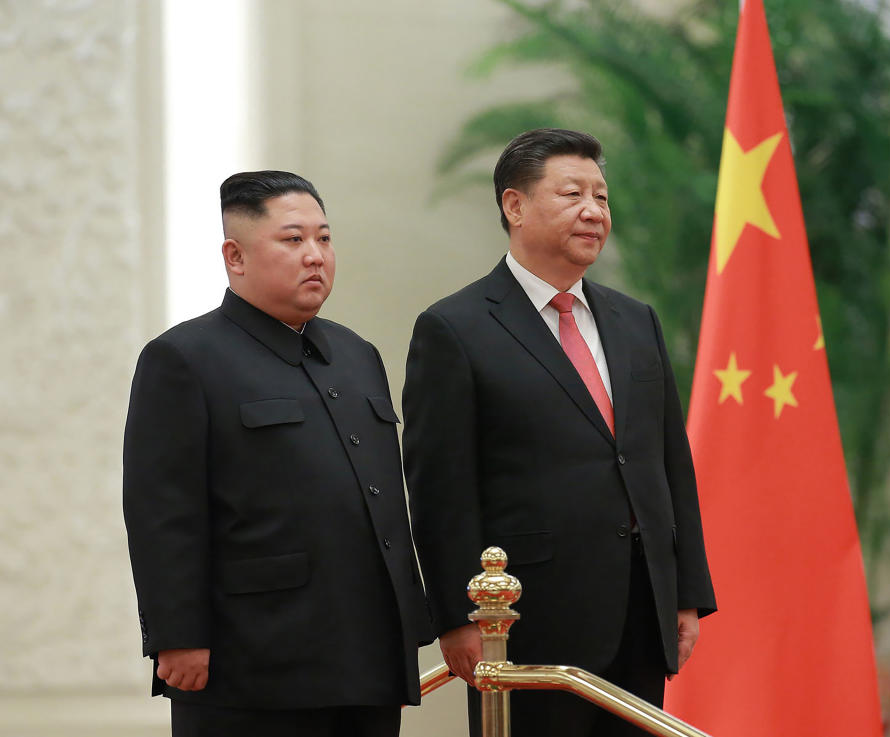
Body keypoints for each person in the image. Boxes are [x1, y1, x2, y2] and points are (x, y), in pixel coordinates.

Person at [402, 129, 716, 736]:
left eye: (602, 196)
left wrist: (685, 592)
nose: (595, 212)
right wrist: (456, 619)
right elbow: (440, 488)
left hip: (640, 611)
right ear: (514, 206)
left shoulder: (634, 319)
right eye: (573, 194)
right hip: (526, 618)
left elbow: (668, 463)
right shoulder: (455, 328)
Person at [123, 170, 433, 737]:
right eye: (293, 240)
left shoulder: (355, 353)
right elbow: (163, 512)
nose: (315, 255)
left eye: (324, 238)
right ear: (235, 257)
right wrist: (177, 635)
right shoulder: (184, 358)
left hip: (368, 649)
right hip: (254, 655)